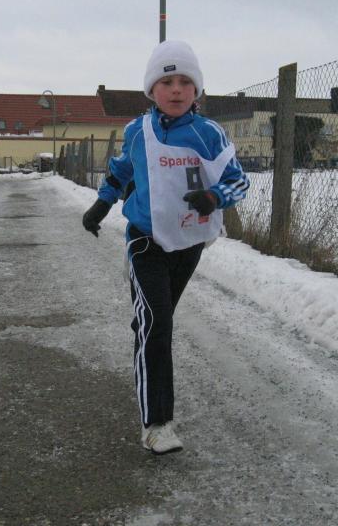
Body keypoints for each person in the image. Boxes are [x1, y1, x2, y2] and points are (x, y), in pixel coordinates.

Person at [82, 40, 249, 455]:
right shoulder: (138, 131)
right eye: (167, 82)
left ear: (197, 90)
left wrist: (214, 198)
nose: (176, 90)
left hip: (188, 243)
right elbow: (122, 170)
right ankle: (157, 424)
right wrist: (102, 203)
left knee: (154, 321)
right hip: (145, 239)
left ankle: (146, 322)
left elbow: (238, 181)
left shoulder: (208, 134)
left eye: (185, 82)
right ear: (151, 89)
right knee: (159, 324)